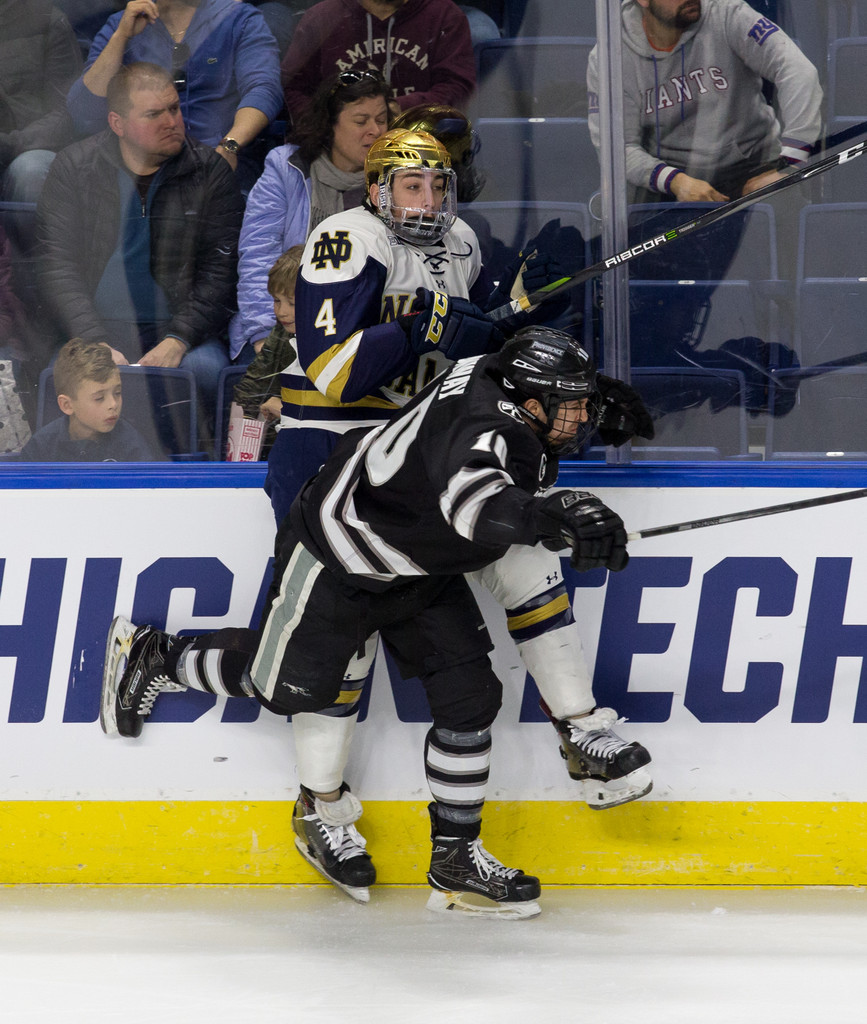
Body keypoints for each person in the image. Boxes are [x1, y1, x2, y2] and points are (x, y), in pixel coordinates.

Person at [100, 326, 645, 917]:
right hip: (340, 554)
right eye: (573, 404)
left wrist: (592, 392)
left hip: (418, 561)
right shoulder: (483, 430)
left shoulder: (496, 372)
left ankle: (456, 859)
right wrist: (549, 513)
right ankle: (157, 657)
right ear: (530, 402)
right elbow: (474, 506)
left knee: (469, 699)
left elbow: (502, 410)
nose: (583, 416)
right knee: (283, 690)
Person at [37, 62, 244, 419]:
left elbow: (221, 270)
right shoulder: (74, 168)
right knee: (71, 380)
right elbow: (57, 267)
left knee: (205, 371)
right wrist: (94, 340)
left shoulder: (210, 172)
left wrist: (178, 339)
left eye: (174, 108)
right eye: (153, 114)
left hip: (182, 329)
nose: (171, 121)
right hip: (93, 328)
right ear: (117, 123)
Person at [587, 0, 823, 202]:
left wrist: (789, 165)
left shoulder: (726, 12)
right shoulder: (610, 57)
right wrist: (674, 181)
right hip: (670, 180)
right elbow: (618, 147)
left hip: (755, 164)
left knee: (785, 205)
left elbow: (798, 71)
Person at [229, 68, 391, 363]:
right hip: (282, 322)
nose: (375, 131)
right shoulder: (286, 168)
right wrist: (267, 337)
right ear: (330, 124)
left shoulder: (395, 180)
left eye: (381, 120)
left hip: (362, 332)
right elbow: (258, 258)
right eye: (361, 121)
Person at [66, 0, 283, 190]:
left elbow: (264, 89)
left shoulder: (239, 19)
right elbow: (84, 110)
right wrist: (121, 37)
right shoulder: (123, 23)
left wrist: (230, 145)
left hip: (217, 161)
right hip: (141, 167)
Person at [281, 0, 476, 125]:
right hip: (337, 154)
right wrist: (333, 122)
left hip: (421, 148)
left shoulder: (445, 15)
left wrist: (400, 108)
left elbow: (458, 88)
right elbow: (294, 89)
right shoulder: (321, 17)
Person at [19, 337, 158, 461]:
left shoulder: (130, 443)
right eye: (99, 398)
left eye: (117, 393)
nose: (113, 404)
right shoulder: (41, 447)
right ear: (67, 405)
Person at [0, 0, 83, 207]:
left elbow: (68, 110)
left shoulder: (48, 21)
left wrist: (11, 144)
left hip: (29, 148)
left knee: (31, 172)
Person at [231, 245, 303, 457]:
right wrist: (245, 419)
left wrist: (284, 410)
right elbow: (253, 386)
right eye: (276, 300)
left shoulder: (337, 341)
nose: (282, 312)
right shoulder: (281, 333)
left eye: (292, 303)